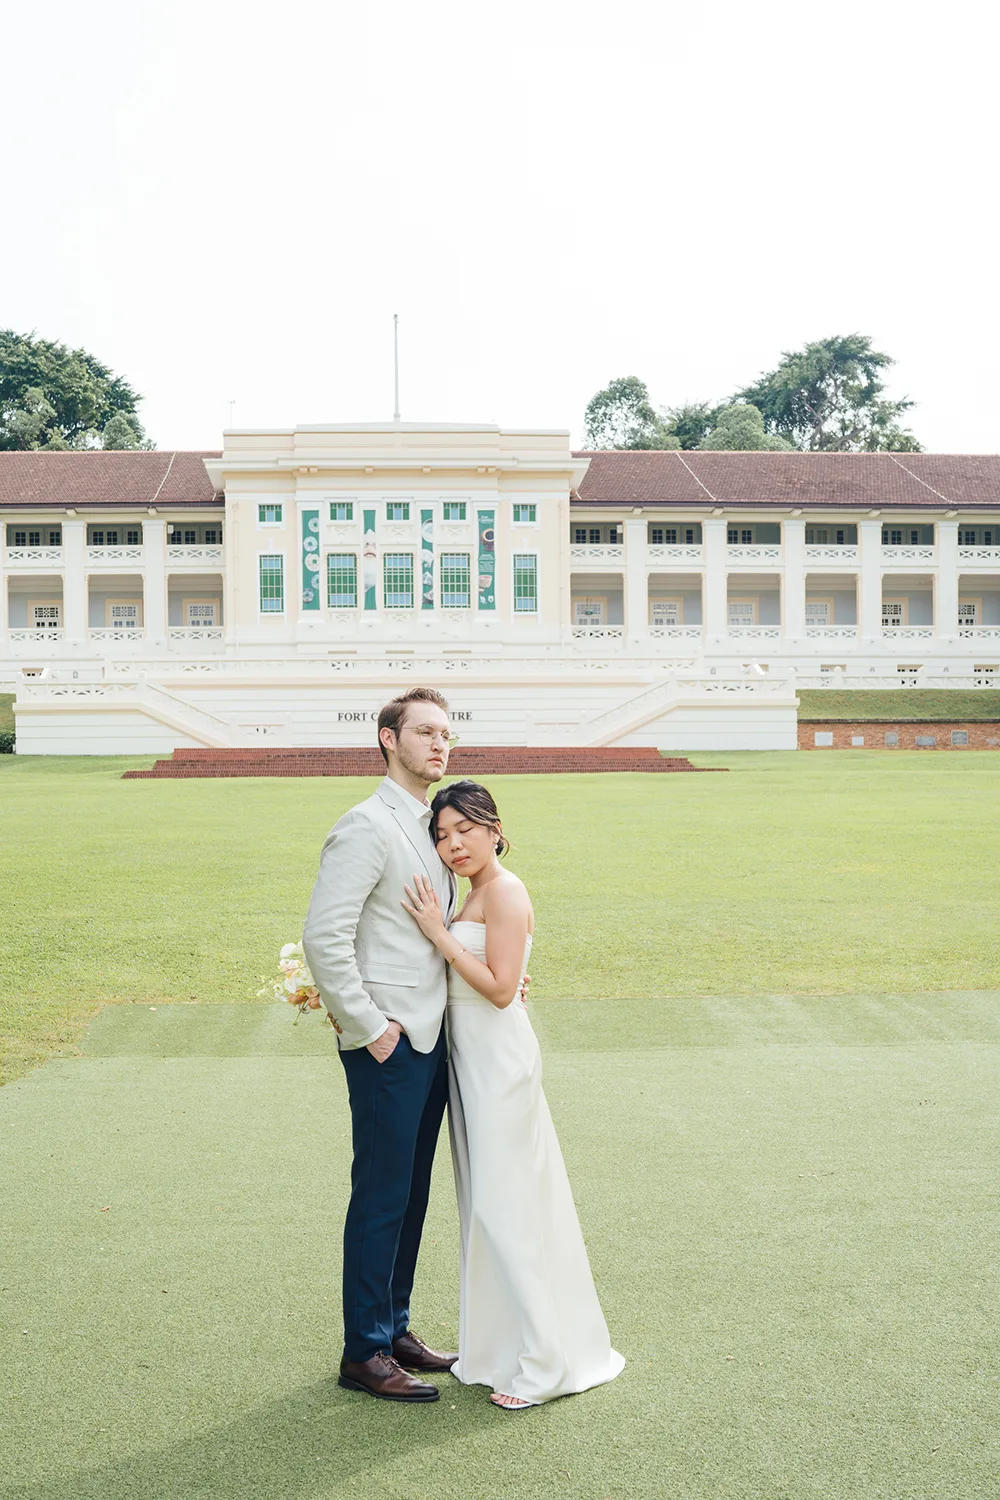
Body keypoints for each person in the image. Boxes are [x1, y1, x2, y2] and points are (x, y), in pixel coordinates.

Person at [402, 779, 625, 1411]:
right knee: (488, 1206)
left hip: (499, 1063)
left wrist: (438, 935)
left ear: (494, 827)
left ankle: (546, 1364)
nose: (453, 845)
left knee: (507, 1208)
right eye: (442, 835)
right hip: (470, 1060)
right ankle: (507, 1348)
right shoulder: (472, 892)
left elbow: (501, 990)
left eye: (464, 830)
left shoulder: (505, 889)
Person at [302, 687, 460, 1404]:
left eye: (447, 733)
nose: (440, 743)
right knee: (380, 1196)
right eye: (425, 731)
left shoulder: (432, 830)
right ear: (388, 740)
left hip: (433, 1041)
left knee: (412, 1193)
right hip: (388, 1047)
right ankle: (363, 1351)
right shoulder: (365, 826)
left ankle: (394, 1328)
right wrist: (371, 1030)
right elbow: (324, 938)